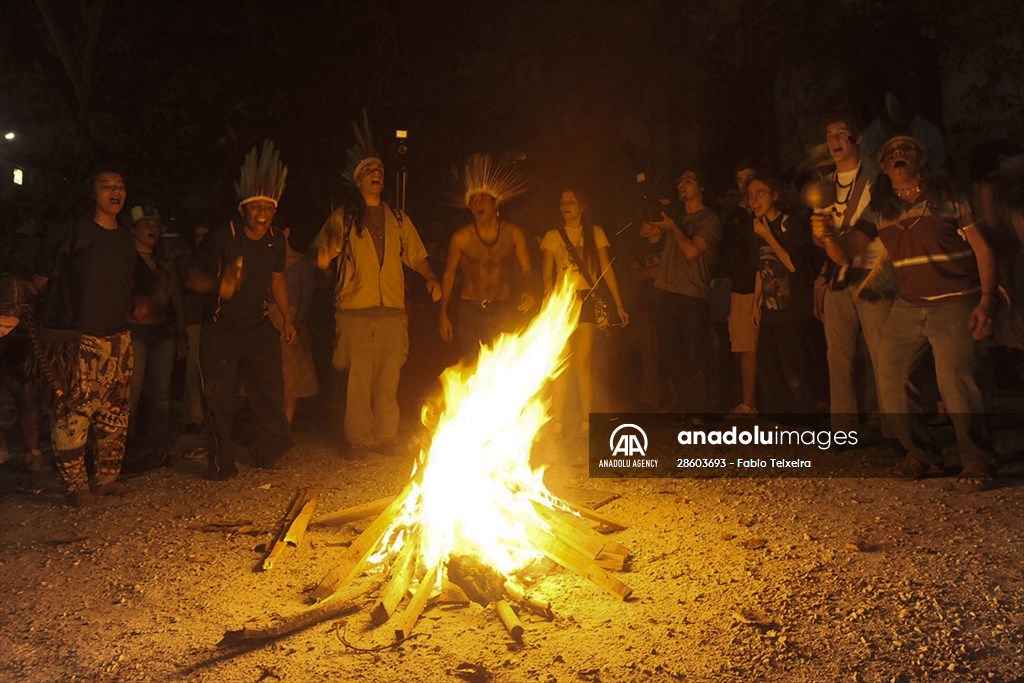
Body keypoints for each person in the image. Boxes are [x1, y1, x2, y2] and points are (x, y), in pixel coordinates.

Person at [864, 134, 997, 490]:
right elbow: (848, 249)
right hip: (909, 305)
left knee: (955, 381)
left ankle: (976, 459)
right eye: (891, 151)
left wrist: (986, 300)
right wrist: (826, 235)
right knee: (890, 377)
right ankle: (921, 454)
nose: (899, 154)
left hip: (955, 300)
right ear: (883, 166)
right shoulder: (881, 209)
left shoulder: (948, 197)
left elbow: (983, 250)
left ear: (921, 159)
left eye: (906, 149)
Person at [313, 119, 441, 457]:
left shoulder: (398, 218)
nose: (377, 174)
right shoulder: (345, 218)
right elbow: (321, 255)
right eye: (370, 170)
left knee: (388, 381)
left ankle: (385, 436)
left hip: (391, 313)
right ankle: (358, 439)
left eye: (381, 169)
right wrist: (322, 264)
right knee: (358, 381)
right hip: (355, 312)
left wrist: (430, 277)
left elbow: (417, 255)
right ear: (358, 180)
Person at [32, 167, 137, 506]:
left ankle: (106, 478)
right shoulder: (72, 232)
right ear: (92, 193)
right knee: (71, 414)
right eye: (106, 185)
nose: (114, 191)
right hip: (77, 339)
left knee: (114, 412)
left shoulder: (125, 237)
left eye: (119, 186)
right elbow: (41, 278)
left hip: (117, 339)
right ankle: (77, 486)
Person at [193, 141, 296, 480]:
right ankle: (222, 460)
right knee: (219, 397)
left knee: (270, 390)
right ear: (243, 209)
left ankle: (268, 452)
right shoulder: (225, 237)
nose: (263, 213)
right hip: (221, 327)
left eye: (269, 207)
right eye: (256, 207)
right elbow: (192, 278)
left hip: (256, 324)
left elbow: (277, 279)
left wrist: (287, 318)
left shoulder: (276, 239)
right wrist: (219, 286)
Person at [810, 114, 893, 434]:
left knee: (881, 353)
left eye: (841, 134)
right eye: (830, 135)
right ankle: (843, 426)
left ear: (856, 139)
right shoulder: (824, 184)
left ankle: (892, 427)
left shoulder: (876, 177)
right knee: (838, 355)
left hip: (873, 272)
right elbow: (818, 237)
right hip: (838, 275)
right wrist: (821, 233)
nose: (834, 140)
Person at [541, 188, 629, 438]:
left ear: (582, 205)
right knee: (560, 363)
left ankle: (586, 421)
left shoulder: (595, 233)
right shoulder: (552, 236)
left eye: (570, 202)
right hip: (562, 303)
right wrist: (548, 309)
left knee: (583, 361)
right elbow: (547, 278)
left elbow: (607, 270)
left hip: (587, 298)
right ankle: (557, 421)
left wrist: (619, 304)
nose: (565, 206)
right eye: (562, 202)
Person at [440, 153, 534, 361]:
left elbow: (527, 269)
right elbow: (449, 275)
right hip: (470, 312)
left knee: (503, 367)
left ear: (496, 202)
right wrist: (443, 314)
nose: (477, 204)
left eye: (482, 198)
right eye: (473, 200)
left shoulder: (513, 234)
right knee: (473, 368)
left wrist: (529, 292)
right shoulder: (461, 238)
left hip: (502, 309)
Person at [647, 169, 722, 421]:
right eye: (679, 181)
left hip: (692, 296)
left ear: (701, 188)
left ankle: (700, 413)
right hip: (665, 293)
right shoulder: (676, 216)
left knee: (695, 356)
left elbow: (692, 251)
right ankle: (685, 406)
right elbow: (645, 229)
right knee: (670, 355)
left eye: (689, 181)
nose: (682, 185)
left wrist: (673, 228)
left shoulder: (709, 220)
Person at [748, 174, 816, 414]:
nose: (754, 200)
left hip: (792, 308)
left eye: (760, 193)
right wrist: (755, 303)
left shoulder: (791, 223)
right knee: (769, 367)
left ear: (774, 195)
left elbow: (793, 264)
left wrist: (769, 236)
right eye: (750, 195)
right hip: (770, 308)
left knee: (795, 367)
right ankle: (780, 421)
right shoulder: (757, 228)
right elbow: (761, 266)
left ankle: (805, 420)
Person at [125, 206, 187, 469]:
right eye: (146, 224)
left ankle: (158, 445)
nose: (152, 229)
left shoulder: (164, 263)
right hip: (135, 330)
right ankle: (126, 446)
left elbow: (175, 297)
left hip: (162, 331)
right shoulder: (126, 260)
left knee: (160, 393)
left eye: (155, 225)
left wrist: (182, 331)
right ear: (134, 230)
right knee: (133, 391)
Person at [719, 161, 761, 416]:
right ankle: (748, 402)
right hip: (743, 287)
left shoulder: (766, 214)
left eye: (750, 178)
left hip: (767, 285)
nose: (745, 183)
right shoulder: (735, 218)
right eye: (740, 179)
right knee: (745, 346)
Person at [269, 226, 319, 425]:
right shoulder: (269, 261)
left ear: (287, 232)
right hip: (269, 320)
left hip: (292, 322)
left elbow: (306, 299)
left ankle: (284, 428)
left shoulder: (302, 263)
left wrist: (296, 324)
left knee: (292, 382)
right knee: (272, 378)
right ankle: (272, 429)